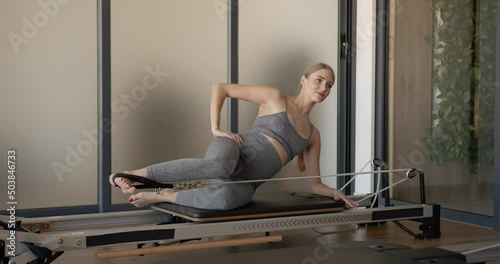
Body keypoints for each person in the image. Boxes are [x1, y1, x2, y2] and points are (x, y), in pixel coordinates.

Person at [110, 63, 359, 210]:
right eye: (319, 80)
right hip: (235, 149)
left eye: (329, 85)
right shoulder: (276, 97)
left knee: (229, 199)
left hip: (246, 182)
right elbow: (221, 88)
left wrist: (336, 193)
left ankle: (161, 194)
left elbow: (315, 184)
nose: (324, 88)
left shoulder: (313, 135)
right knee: (220, 165)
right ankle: (128, 174)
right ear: (303, 80)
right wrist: (216, 128)